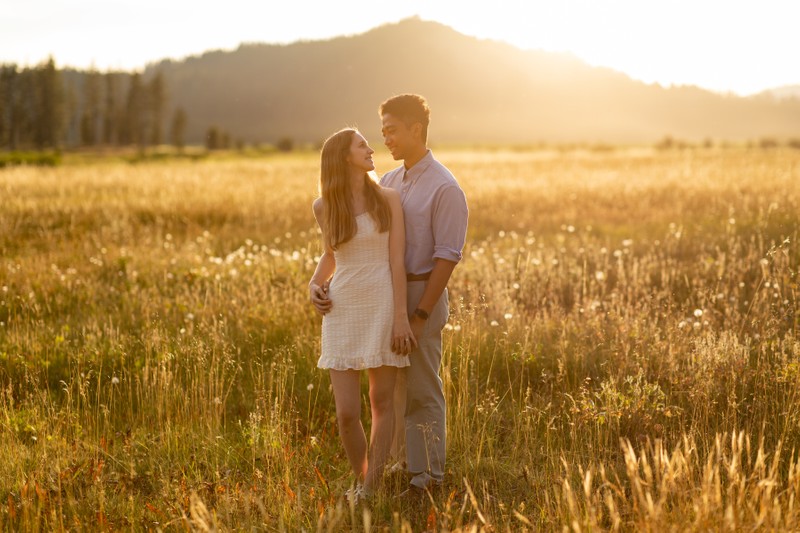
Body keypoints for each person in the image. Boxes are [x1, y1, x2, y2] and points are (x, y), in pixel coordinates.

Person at [308, 128, 416, 502]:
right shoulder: (324, 206)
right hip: (341, 309)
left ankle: (369, 490)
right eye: (361, 145)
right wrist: (313, 283)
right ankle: (363, 477)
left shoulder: (388, 199)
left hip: (382, 304)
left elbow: (396, 261)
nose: (371, 149)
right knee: (346, 413)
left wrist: (401, 316)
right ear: (343, 157)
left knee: (381, 403)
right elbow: (333, 253)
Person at [378, 94, 469, 492]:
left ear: (417, 129)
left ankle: (429, 474)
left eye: (392, 130)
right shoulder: (389, 181)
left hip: (422, 296)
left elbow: (446, 258)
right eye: (382, 132)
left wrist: (420, 315)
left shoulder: (445, 187)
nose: (387, 139)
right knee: (396, 386)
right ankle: (403, 464)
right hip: (392, 297)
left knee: (422, 385)